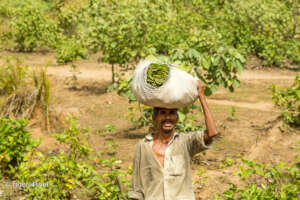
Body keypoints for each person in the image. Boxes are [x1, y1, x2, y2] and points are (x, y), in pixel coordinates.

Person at [128, 80, 219, 200]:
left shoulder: (185, 142)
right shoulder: (142, 146)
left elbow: (212, 133)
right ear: (155, 118)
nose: (167, 117)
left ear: (176, 118)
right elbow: (136, 189)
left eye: (172, 113)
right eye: (163, 113)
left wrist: (201, 96)